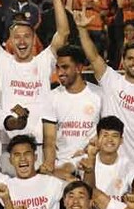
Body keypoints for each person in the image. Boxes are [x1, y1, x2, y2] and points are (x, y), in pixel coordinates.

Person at [74, 12, 134, 172]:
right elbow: (93, 56)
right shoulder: (111, 80)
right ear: (124, 60)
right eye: (130, 58)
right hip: (107, 165)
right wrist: (82, 29)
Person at [0, 0, 69, 138]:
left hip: (41, 140)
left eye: (26, 36)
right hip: (10, 141)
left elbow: (63, 33)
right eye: (17, 37)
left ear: (34, 40)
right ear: (11, 41)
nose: (21, 41)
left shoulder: (44, 61)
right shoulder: (2, 61)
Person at [39, 44, 101, 179]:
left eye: (65, 67)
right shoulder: (51, 97)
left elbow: (105, 132)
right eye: (57, 68)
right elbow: (49, 139)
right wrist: (49, 166)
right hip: (62, 167)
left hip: (92, 163)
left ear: (79, 68)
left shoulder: (98, 95)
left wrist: (87, 150)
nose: (59, 73)